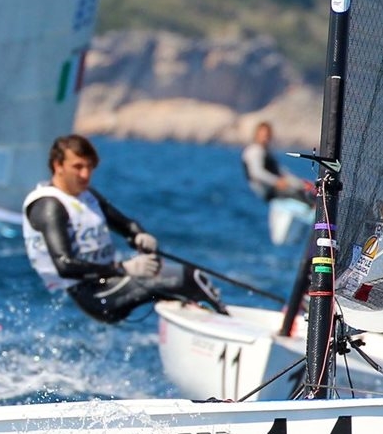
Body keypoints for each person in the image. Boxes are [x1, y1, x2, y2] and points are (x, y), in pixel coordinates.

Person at [22, 134, 226, 324]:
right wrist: (123, 268)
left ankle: (209, 321)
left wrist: (139, 235)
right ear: (58, 165)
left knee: (192, 277)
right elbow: (64, 266)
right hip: (94, 296)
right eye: (78, 167)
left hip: (112, 281)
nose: (86, 174)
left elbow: (126, 225)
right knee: (187, 279)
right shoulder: (49, 206)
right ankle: (222, 324)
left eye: (90, 167)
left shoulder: (86, 196)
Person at [241, 121, 314, 204]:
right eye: (263, 135)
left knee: (301, 186)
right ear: (257, 135)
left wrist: (301, 183)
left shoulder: (266, 151)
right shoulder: (254, 151)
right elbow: (257, 173)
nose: (265, 138)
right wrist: (276, 182)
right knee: (298, 191)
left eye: (267, 135)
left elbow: (279, 170)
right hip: (267, 190)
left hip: (273, 187)